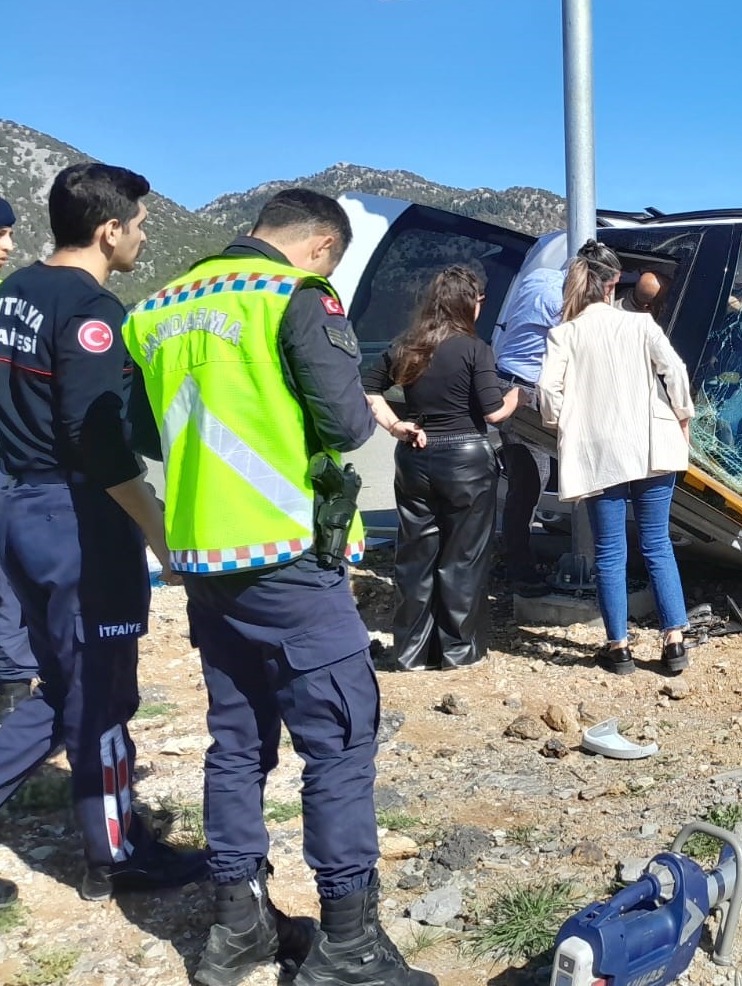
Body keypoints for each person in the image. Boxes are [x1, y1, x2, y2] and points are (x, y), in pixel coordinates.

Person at [123, 189, 433, 986]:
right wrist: (361, 406)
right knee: (337, 742)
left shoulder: (158, 308)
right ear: (323, 245)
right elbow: (344, 427)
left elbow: (135, 429)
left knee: (236, 742)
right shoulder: (292, 297)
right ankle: (349, 945)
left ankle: (239, 926)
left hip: (204, 561)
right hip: (289, 556)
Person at [0, 163, 206, 911]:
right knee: (105, 692)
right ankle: (116, 853)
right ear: (109, 230)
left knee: (62, 688)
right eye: (140, 225)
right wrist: (159, 535)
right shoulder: (90, 309)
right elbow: (100, 441)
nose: (144, 236)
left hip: (18, 506)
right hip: (74, 518)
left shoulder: (7, 295)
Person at [538, 241, 695, 676]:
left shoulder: (564, 334)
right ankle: (674, 642)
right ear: (612, 285)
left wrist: (560, 421)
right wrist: (683, 416)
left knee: (610, 551)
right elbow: (675, 373)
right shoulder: (641, 326)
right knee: (657, 543)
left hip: (599, 451)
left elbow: (547, 393)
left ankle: (619, 647)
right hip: (650, 444)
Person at [362, 266, 516, 671]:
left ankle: (411, 652)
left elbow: (368, 387)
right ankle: (457, 651)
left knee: (416, 556)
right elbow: (495, 412)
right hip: (466, 460)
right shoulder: (473, 348)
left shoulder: (406, 345)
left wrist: (397, 426)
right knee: (462, 557)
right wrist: (517, 394)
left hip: (415, 455)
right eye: (480, 301)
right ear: (469, 303)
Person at [0, 193, 37, 735]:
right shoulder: (3, 305)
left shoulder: (2, 298)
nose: (8, 245)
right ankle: (12, 676)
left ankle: (13, 676)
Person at [490, 261, 565, 592]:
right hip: (525, 391)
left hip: (507, 378)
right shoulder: (560, 298)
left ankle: (513, 558)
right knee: (531, 481)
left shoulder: (539, 276)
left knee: (525, 480)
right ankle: (517, 568)